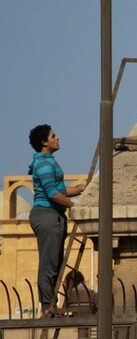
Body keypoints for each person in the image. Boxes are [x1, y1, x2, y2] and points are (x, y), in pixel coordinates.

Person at [27, 124, 84, 317]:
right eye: (53, 136)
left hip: (53, 215)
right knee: (49, 264)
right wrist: (75, 207)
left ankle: (50, 305)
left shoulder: (48, 162)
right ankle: (47, 307)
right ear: (44, 142)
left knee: (56, 263)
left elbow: (60, 190)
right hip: (47, 215)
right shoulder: (44, 164)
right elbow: (52, 194)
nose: (57, 138)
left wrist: (82, 190)